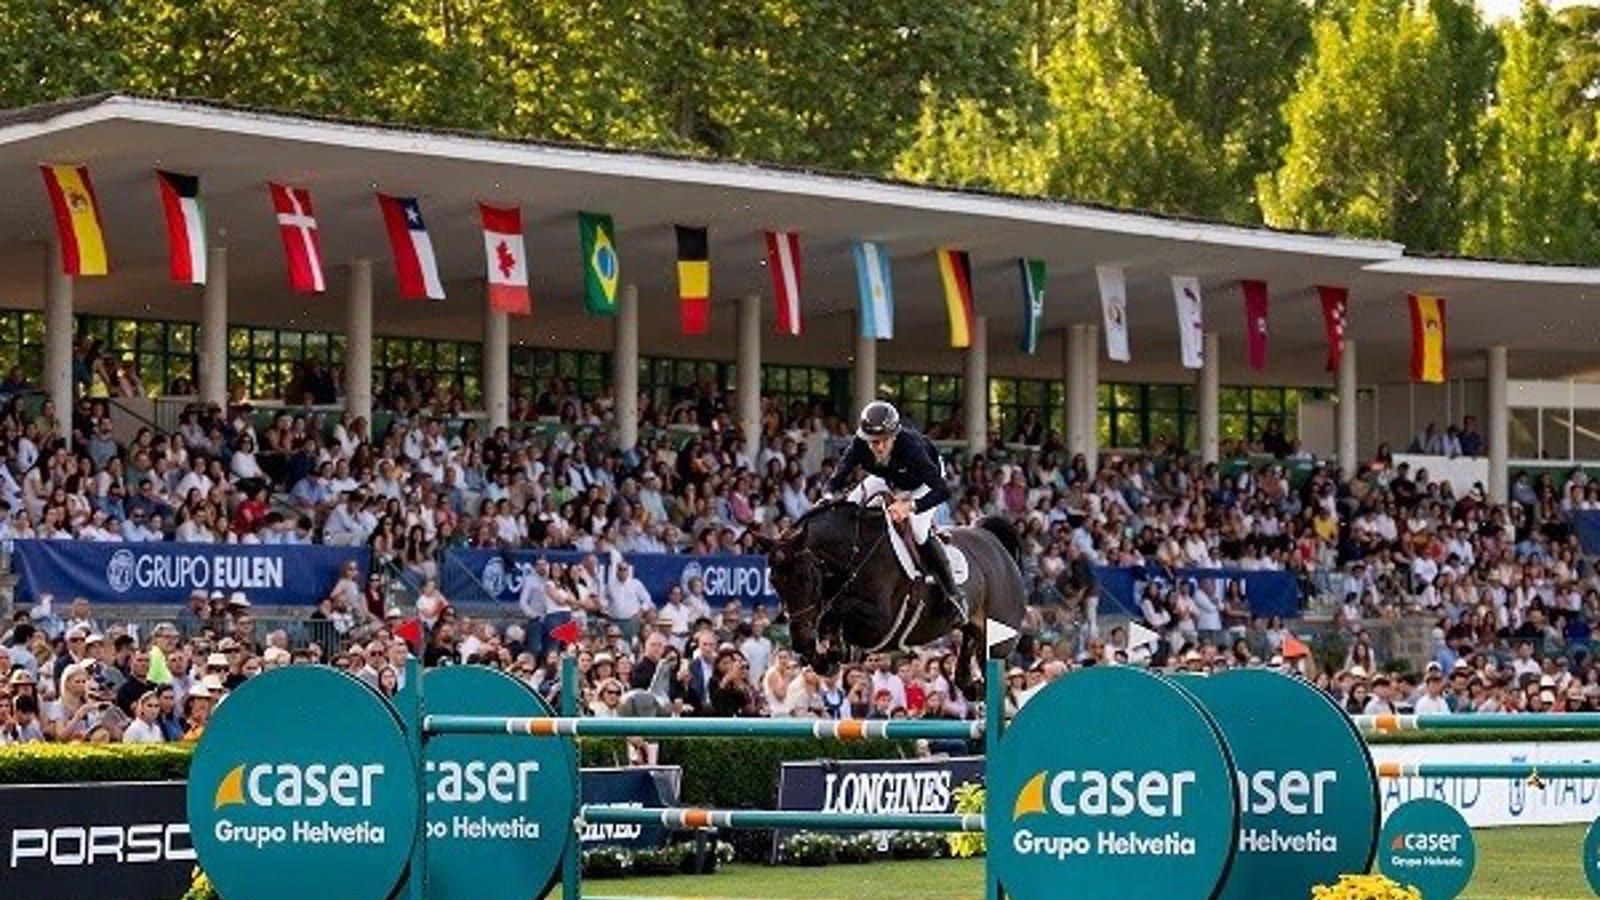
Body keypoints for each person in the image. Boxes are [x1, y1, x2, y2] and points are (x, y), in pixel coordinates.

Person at [824, 400, 965, 621]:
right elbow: (839, 476)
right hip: (888, 479)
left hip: (924, 483)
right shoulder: (861, 443)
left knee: (918, 531)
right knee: (850, 506)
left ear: (895, 435)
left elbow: (943, 491)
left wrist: (910, 506)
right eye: (873, 442)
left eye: (884, 441)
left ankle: (953, 594)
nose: (878, 447)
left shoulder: (911, 448)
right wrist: (827, 498)